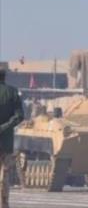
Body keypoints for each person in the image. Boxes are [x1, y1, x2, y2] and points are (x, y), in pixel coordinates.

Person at [0, 65, 24, 208]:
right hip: (6, 141)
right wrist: (4, 127)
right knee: (4, 175)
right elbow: (19, 116)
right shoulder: (12, 92)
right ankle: (3, 203)